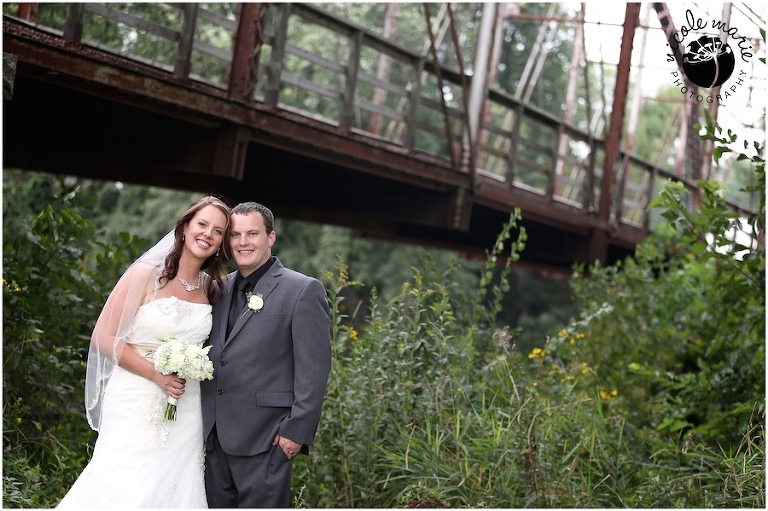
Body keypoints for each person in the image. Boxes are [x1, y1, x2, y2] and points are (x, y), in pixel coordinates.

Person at [58, 195, 231, 508]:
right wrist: (155, 373)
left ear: (221, 242)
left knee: (177, 482)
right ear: (185, 227)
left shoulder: (212, 288)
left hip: (186, 403)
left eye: (218, 231)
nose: (208, 234)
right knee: (124, 479)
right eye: (202, 224)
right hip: (135, 396)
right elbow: (104, 336)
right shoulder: (145, 275)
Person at [201, 201, 332, 508]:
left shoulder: (303, 290)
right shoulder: (217, 288)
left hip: (267, 439)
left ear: (270, 238)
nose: (243, 242)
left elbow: (314, 370)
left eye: (252, 233)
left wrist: (295, 434)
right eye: (235, 235)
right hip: (212, 437)